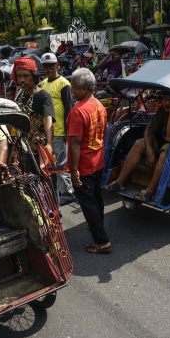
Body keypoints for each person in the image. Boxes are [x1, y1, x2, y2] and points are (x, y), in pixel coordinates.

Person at [103, 91, 170, 201]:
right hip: (167, 142)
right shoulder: (163, 111)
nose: (167, 102)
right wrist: (149, 151)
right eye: (165, 98)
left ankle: (150, 190)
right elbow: (150, 130)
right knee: (139, 143)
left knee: (166, 151)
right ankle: (120, 182)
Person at [67, 68, 110, 254]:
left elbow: (75, 143)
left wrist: (74, 170)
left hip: (84, 163)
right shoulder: (100, 106)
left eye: (74, 88)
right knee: (96, 197)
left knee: (87, 202)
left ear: (84, 88)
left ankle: (102, 242)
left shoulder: (78, 111)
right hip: (98, 160)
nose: (72, 91)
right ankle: (97, 225)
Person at [41, 53, 76, 205]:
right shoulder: (43, 84)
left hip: (60, 131)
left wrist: (68, 132)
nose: (48, 68)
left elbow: (69, 108)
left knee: (61, 164)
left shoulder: (63, 84)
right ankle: (56, 191)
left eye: (51, 65)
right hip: (47, 131)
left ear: (57, 65)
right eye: (45, 66)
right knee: (51, 165)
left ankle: (68, 194)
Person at [10, 57, 55, 164]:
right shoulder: (19, 97)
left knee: (45, 180)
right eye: (19, 76)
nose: (22, 80)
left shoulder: (43, 96)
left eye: (26, 76)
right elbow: (17, 126)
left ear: (34, 77)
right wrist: (14, 149)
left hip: (41, 150)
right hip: (24, 152)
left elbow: (47, 120)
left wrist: (49, 144)